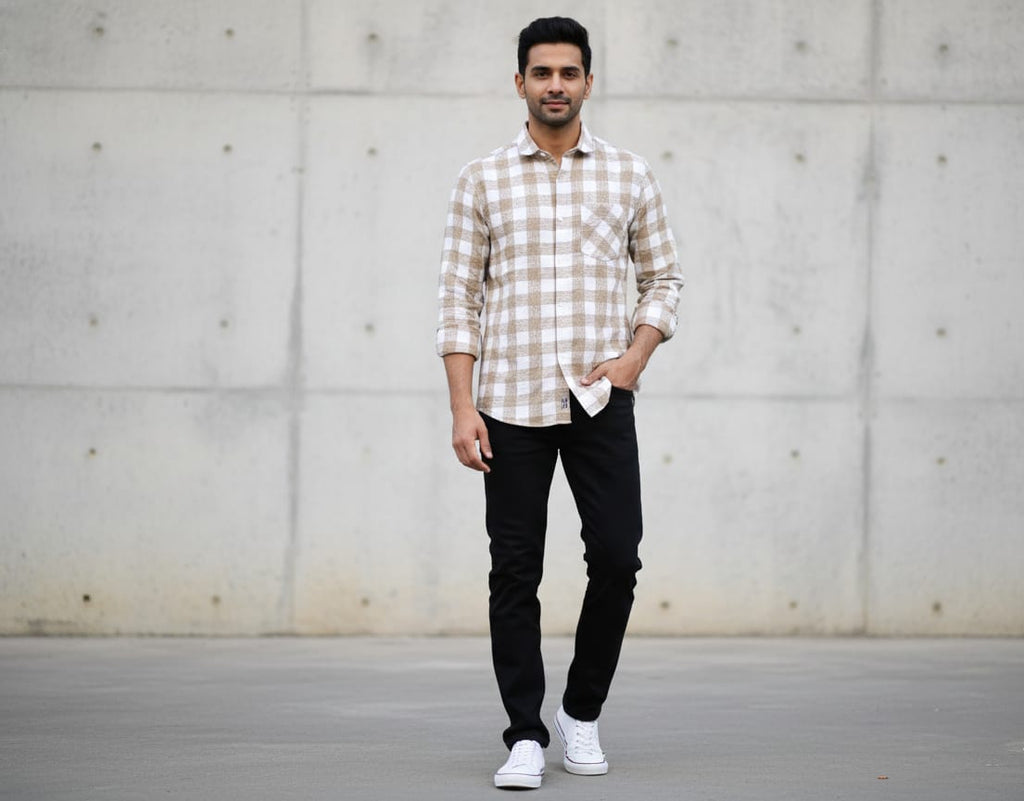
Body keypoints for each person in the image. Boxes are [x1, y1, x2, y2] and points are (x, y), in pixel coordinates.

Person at [436, 16, 683, 791]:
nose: (554, 85)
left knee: (616, 556)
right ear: (520, 83)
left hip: (598, 400)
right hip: (507, 403)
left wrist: (634, 359)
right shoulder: (482, 179)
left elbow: (665, 279)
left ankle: (581, 713)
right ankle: (524, 732)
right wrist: (461, 407)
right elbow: (456, 299)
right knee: (514, 570)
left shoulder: (629, 174)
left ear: (587, 82)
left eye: (567, 73)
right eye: (540, 73)